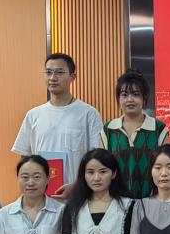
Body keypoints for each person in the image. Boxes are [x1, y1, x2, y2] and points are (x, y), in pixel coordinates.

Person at [12, 52, 104, 199]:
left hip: (77, 197)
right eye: (48, 72)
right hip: (41, 199)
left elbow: (97, 158)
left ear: (73, 76)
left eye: (59, 72)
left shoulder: (89, 114)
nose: (53, 78)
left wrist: (78, 185)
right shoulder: (33, 115)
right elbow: (25, 159)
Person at [103, 68, 169, 199]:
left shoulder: (159, 128)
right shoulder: (109, 129)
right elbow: (102, 167)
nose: (130, 99)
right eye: (124, 95)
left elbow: (166, 166)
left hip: (152, 201)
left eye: (135, 94)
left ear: (144, 98)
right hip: (117, 201)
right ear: (118, 98)